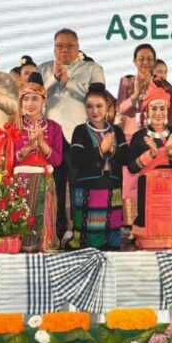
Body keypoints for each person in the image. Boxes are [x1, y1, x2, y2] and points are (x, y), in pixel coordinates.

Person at [40, 28, 105, 240]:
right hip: (51, 137)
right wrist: (53, 79)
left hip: (81, 136)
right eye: (59, 46)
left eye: (69, 46)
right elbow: (33, 96)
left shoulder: (92, 68)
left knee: (81, 186)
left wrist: (68, 82)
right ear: (54, 48)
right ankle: (55, 233)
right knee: (54, 188)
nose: (64, 50)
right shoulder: (43, 69)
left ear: (78, 47)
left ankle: (81, 231)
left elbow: (97, 96)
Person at [68, 83, 128, 250]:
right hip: (89, 188)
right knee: (88, 235)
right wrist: (100, 150)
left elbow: (127, 158)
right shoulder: (80, 130)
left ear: (107, 106)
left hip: (112, 186)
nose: (94, 111)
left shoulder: (116, 131)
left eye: (99, 106)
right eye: (90, 106)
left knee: (111, 235)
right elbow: (76, 159)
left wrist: (113, 150)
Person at [127, 87, 172, 249]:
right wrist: (150, 155)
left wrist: (171, 152)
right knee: (148, 223)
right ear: (147, 112)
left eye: (162, 108)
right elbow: (132, 167)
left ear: (167, 111)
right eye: (154, 109)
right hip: (149, 191)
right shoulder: (139, 136)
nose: (158, 113)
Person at [13, 73, 63, 252]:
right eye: (26, 99)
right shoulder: (14, 127)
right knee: (21, 219)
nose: (30, 104)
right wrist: (28, 148)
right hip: (20, 181)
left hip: (44, 179)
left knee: (42, 219)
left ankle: (44, 247)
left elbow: (57, 160)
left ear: (44, 102)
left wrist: (42, 143)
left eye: (35, 99)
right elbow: (8, 160)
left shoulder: (54, 127)